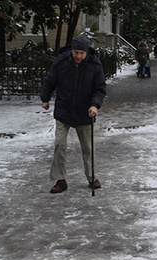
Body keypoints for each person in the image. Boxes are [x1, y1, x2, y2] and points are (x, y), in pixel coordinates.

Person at [40, 35, 107, 194]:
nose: (78, 56)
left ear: (86, 53)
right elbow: (50, 81)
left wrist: (95, 105)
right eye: (76, 52)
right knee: (59, 145)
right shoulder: (61, 62)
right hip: (64, 111)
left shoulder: (94, 65)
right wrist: (45, 98)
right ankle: (60, 179)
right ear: (71, 51)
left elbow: (99, 89)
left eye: (81, 53)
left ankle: (92, 177)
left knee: (88, 148)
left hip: (85, 113)